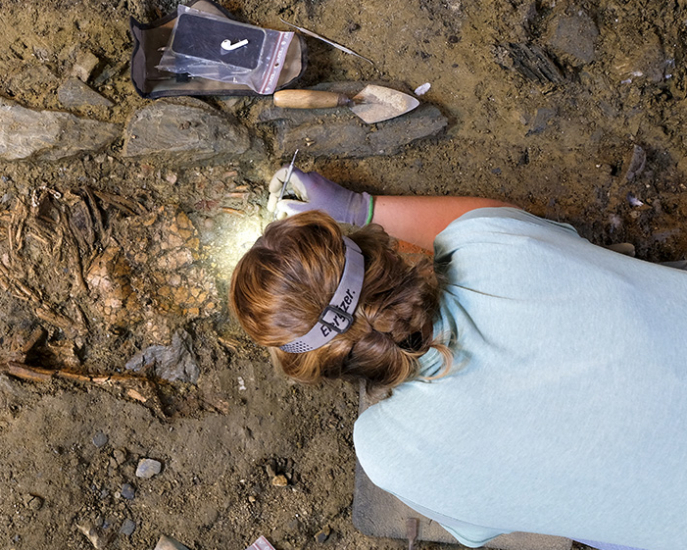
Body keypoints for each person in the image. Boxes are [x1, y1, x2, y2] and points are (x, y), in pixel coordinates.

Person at [229, 167, 687, 550]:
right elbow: (473, 218)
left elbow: (481, 527)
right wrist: (357, 207)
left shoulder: (393, 455)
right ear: (377, 251)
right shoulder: (493, 247)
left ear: (313, 366)